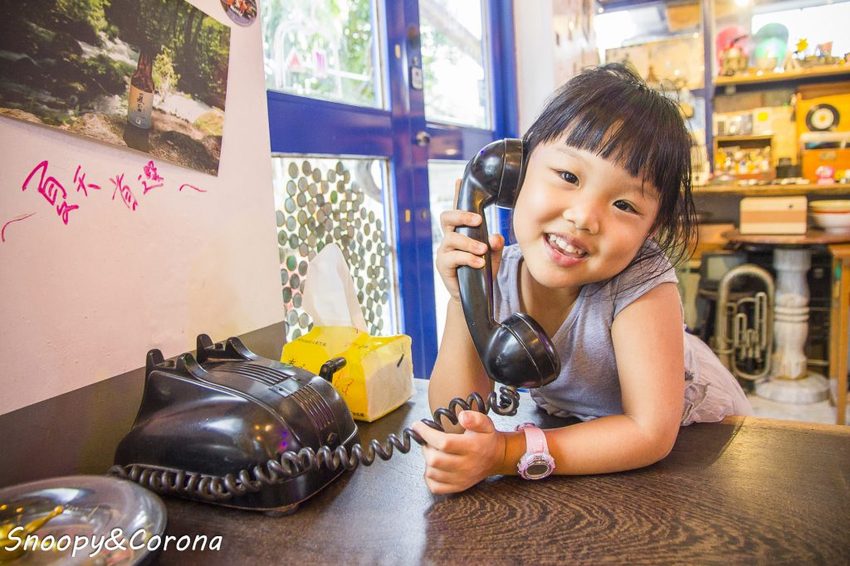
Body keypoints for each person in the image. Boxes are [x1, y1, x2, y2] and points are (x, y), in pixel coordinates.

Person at [412, 63, 752, 495]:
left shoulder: (641, 280)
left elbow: (649, 432)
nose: (584, 217)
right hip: (579, 434)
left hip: (695, 437)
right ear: (512, 174)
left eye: (625, 205)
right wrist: (466, 296)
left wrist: (503, 453)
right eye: (569, 177)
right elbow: (454, 420)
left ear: (651, 230)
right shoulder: (499, 270)